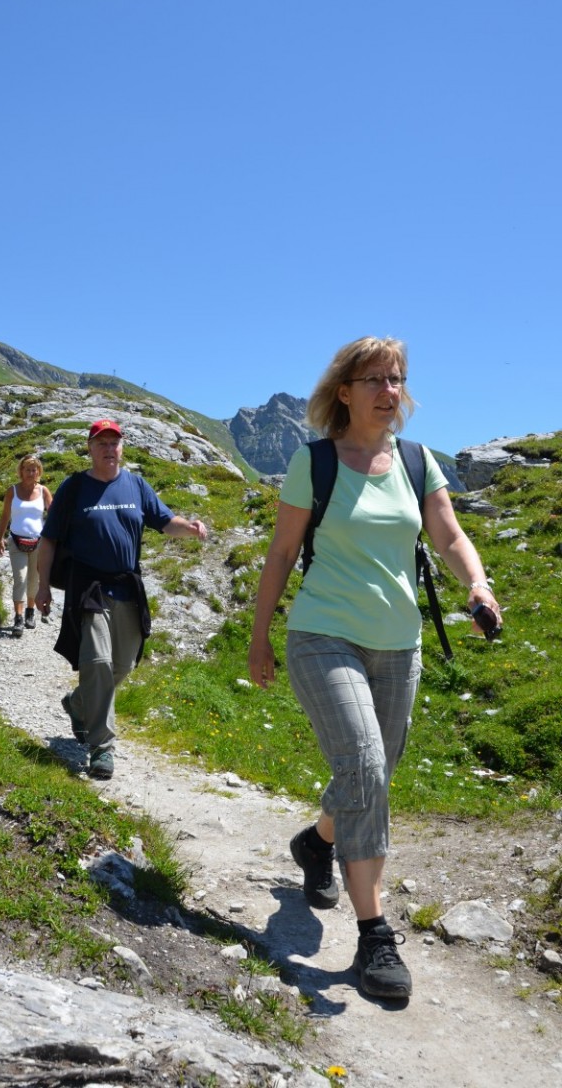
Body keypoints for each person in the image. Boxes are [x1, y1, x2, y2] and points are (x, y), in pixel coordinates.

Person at [248, 336, 502, 1001]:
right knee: (363, 767)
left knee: (371, 776)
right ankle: (375, 937)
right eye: (375, 381)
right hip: (321, 634)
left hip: (398, 643)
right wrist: (259, 637)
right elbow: (280, 555)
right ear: (344, 391)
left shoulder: (417, 464)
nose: (390, 392)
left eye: (398, 380)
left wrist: (478, 584)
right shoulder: (317, 463)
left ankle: (317, 843)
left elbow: (447, 535)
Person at [36, 418, 208, 781]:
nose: (108, 449)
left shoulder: (135, 485)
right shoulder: (74, 488)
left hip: (127, 587)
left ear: (122, 447)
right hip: (88, 587)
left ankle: (78, 703)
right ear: (90, 448)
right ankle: (102, 747)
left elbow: (164, 521)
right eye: (101, 443)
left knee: (124, 665)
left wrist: (189, 527)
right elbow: (49, 539)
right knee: (96, 660)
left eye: (114, 442)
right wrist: (42, 586)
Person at [0, 455, 53, 637]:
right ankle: (18, 618)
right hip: (16, 541)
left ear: (39, 472)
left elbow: (53, 516)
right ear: (21, 471)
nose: (31, 473)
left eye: (34, 469)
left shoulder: (44, 491)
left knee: (33, 579)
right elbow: (5, 515)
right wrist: (0, 538)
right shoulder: (12, 491)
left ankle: (30, 612)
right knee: (20, 578)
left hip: (39, 542)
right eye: (27, 469)